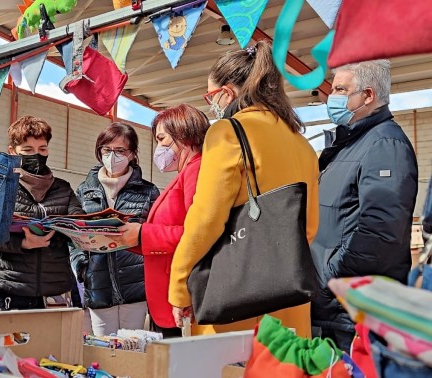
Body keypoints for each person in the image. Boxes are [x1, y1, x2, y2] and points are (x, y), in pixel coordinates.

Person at [168, 41, 320, 338]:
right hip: (289, 297)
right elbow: (310, 226)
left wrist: (179, 285)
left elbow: (206, 220)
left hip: (236, 300)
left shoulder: (227, 132)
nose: (211, 104)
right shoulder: (301, 143)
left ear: (227, 92)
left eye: (211, 95)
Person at [311, 60, 418, 352]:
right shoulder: (351, 144)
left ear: (368, 95)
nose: (331, 97)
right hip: (336, 308)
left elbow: (380, 234)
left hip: (353, 311)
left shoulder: (385, 145)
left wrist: (327, 280)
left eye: (340, 89)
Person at [111, 104, 211, 338]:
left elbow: (199, 233)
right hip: (169, 297)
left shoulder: (197, 170)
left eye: (163, 139)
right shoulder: (186, 173)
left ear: (183, 133)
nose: (160, 148)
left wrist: (143, 234)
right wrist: (131, 237)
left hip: (181, 298)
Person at [0, 115, 84, 311]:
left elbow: (78, 224)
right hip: (8, 289)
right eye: (28, 150)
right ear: (13, 151)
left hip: (53, 293)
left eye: (42, 149)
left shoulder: (63, 188)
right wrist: (22, 243)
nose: (36, 155)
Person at [71, 122, 160, 336]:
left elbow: (155, 233)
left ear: (132, 154)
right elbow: (73, 236)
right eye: (107, 150)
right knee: (103, 350)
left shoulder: (148, 192)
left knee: (133, 349)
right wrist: (82, 267)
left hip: (136, 287)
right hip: (98, 286)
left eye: (120, 151)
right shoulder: (85, 191)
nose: (113, 156)